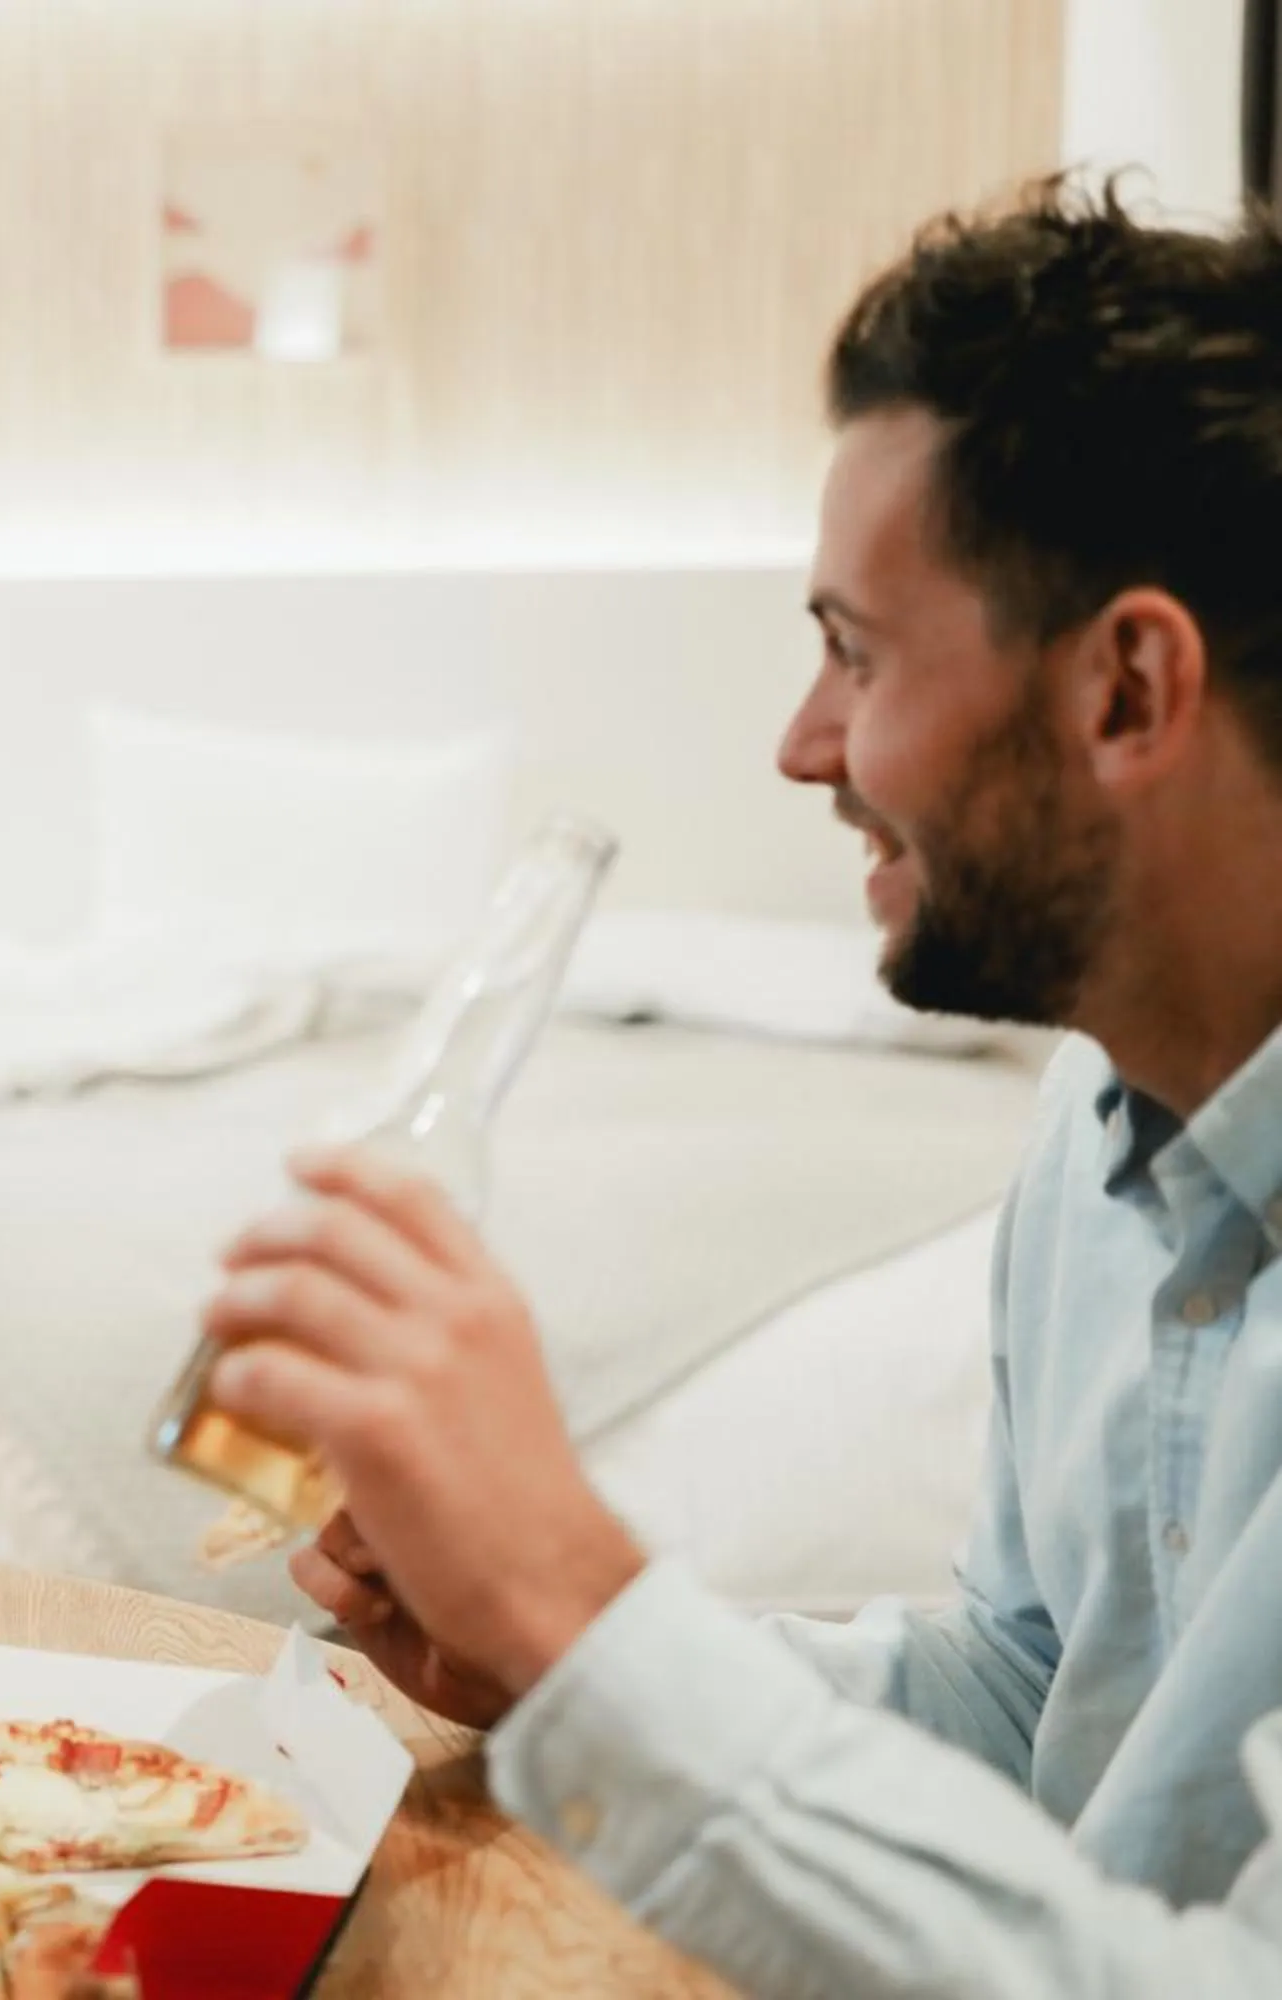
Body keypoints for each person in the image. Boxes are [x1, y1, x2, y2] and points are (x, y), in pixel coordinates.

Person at [197, 181, 1282, 1995]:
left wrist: (576, 1598)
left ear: (1128, 690)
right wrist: (552, 1660)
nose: (801, 744)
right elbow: (1029, 1698)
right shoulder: (1095, 1136)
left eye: (856, 653)